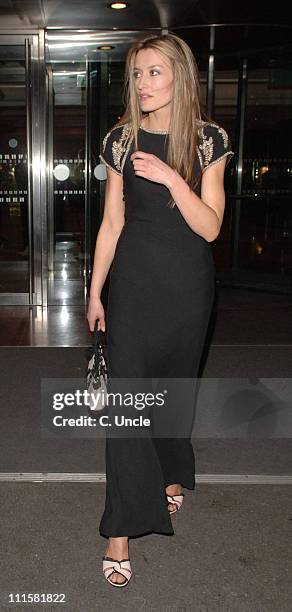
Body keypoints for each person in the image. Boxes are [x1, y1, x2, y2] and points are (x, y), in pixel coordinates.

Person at [87, 32, 234, 588]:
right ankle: (120, 529)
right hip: (133, 289)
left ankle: (171, 471)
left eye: (154, 72)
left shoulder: (206, 140)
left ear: (180, 76)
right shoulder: (120, 140)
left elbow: (211, 226)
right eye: (138, 74)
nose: (143, 84)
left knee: (172, 394)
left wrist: (173, 175)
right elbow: (111, 223)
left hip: (189, 291)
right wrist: (96, 291)